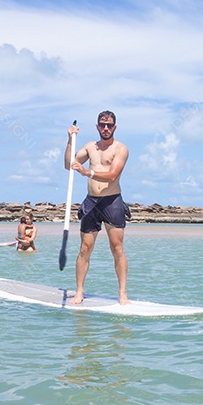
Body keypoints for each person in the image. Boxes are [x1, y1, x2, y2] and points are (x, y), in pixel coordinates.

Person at [65, 111, 130, 304]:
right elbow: (69, 165)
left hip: (112, 201)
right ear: (97, 126)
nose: (106, 128)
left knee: (117, 248)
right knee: (85, 249)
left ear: (115, 127)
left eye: (109, 125)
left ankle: (122, 293)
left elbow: (112, 175)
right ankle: (79, 291)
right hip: (91, 201)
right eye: (102, 124)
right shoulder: (90, 147)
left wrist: (87, 172)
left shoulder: (121, 149)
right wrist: (70, 140)